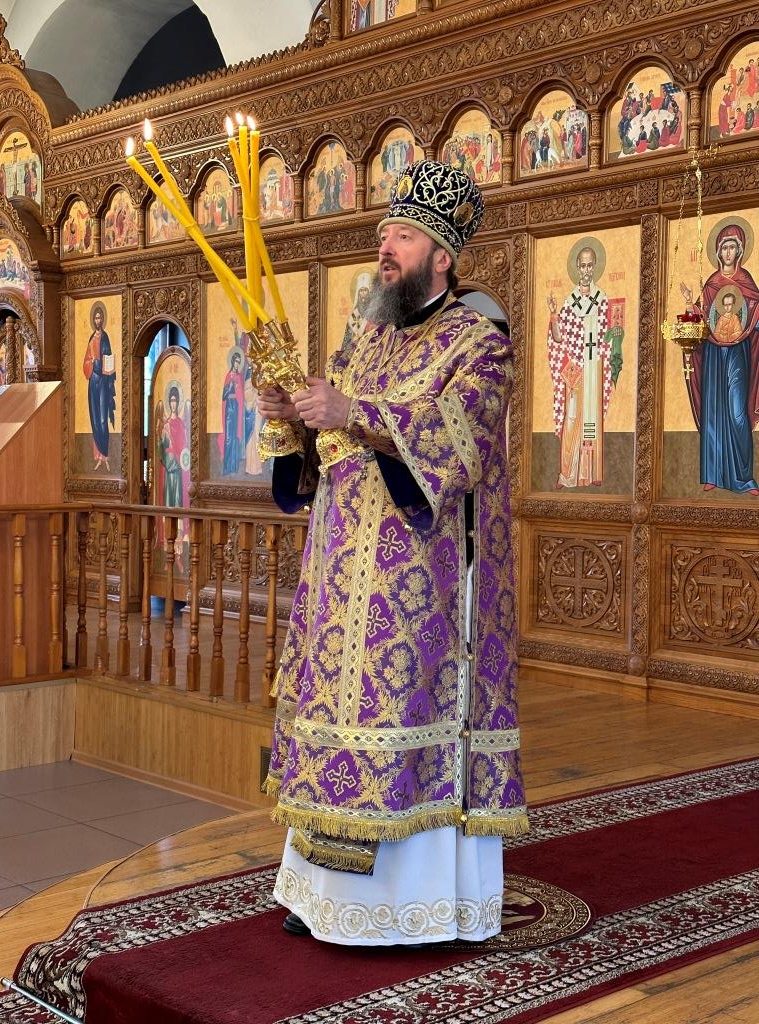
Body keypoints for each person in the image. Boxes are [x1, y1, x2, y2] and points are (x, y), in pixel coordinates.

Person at [259, 158, 527, 946]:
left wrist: (353, 410)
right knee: (329, 717)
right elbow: (320, 458)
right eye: (384, 234)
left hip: (420, 579)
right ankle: (321, 898)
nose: (385, 247)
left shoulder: (479, 343)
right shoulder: (366, 334)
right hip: (340, 574)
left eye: (402, 237)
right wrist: (290, 416)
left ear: (441, 256)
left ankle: (405, 912)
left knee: (398, 716)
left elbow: (460, 442)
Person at [681, 224, 759, 494]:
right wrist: (690, 304)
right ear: (718, 251)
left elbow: (754, 313)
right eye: (724, 247)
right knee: (713, 411)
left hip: (738, 353)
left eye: (732, 247)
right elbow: (702, 317)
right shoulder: (712, 283)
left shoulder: (746, 281)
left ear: (739, 251)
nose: (727, 252)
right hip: (714, 354)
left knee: (737, 413)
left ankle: (744, 477)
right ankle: (712, 473)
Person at [547, 245, 611, 488]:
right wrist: (554, 314)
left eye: (590, 265)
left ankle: (590, 473)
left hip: (594, 368)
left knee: (591, 421)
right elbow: (559, 338)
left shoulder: (602, 299)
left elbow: (607, 336)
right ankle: (567, 474)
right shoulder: (569, 301)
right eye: (582, 265)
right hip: (575, 371)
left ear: (595, 267)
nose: (586, 270)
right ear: (577, 268)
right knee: (572, 419)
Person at [82, 303, 115, 472]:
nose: (97, 320)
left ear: (102, 319)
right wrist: (92, 362)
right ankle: (98, 456)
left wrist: (105, 365)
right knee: (94, 418)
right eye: (95, 318)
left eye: (99, 317)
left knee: (102, 419)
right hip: (93, 382)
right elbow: (85, 362)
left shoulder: (105, 338)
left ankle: (105, 456)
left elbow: (109, 359)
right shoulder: (90, 339)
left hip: (103, 382)